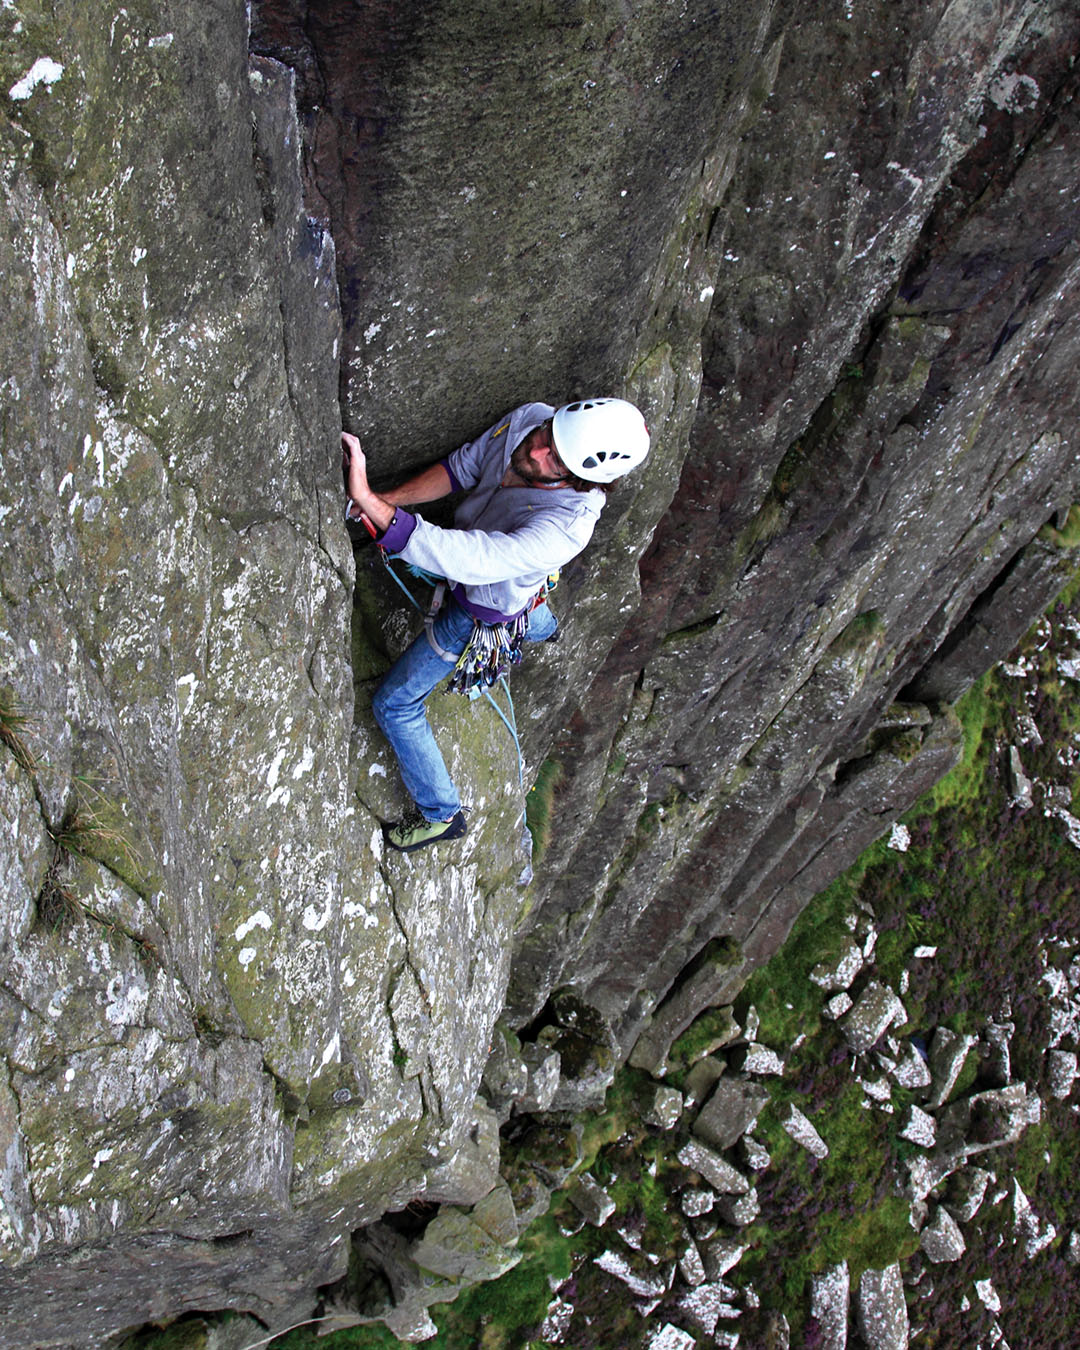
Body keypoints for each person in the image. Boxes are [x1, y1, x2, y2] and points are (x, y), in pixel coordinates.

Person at [342, 398, 650, 853]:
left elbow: (476, 560)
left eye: (556, 461)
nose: (538, 452)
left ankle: (441, 813)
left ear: (582, 480)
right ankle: (542, 624)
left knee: (394, 706)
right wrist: (385, 502)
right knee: (530, 595)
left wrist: (373, 506)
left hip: (479, 609)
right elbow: (461, 468)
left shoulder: (568, 526)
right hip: (511, 576)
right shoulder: (532, 419)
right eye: (548, 437)